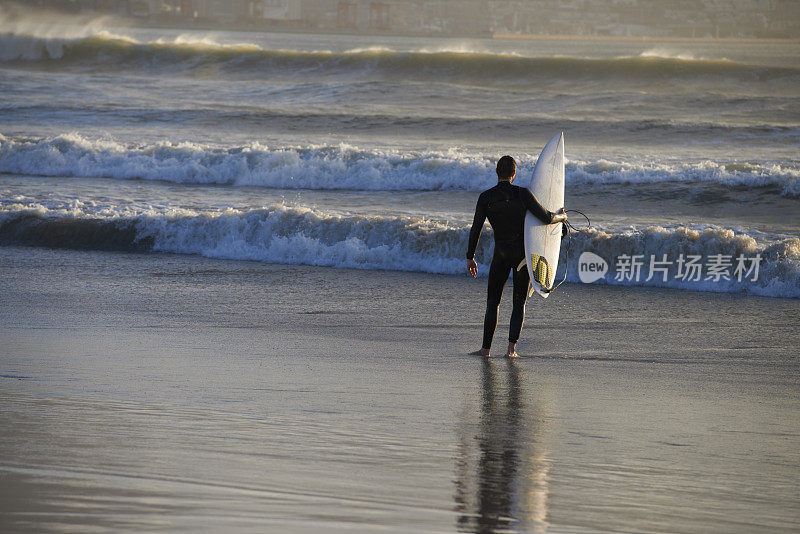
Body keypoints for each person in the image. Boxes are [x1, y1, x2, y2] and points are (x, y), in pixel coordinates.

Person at [466, 155, 567, 358]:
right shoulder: (523, 194)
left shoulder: (486, 197)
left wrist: (470, 257)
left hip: (500, 255)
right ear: (514, 173)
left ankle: (485, 349)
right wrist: (562, 216)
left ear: (496, 172)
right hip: (522, 256)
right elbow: (547, 218)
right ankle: (511, 350)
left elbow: (476, 229)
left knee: (492, 303)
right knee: (519, 303)